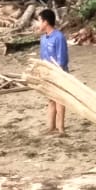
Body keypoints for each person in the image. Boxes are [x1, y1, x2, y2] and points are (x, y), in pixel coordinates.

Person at [37, 7, 69, 135]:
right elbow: (43, 57)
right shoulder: (44, 39)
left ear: (45, 22)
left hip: (58, 72)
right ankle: (51, 127)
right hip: (47, 73)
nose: (38, 24)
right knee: (50, 99)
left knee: (59, 100)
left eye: (39, 21)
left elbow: (62, 58)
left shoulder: (59, 37)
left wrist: (59, 72)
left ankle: (61, 128)